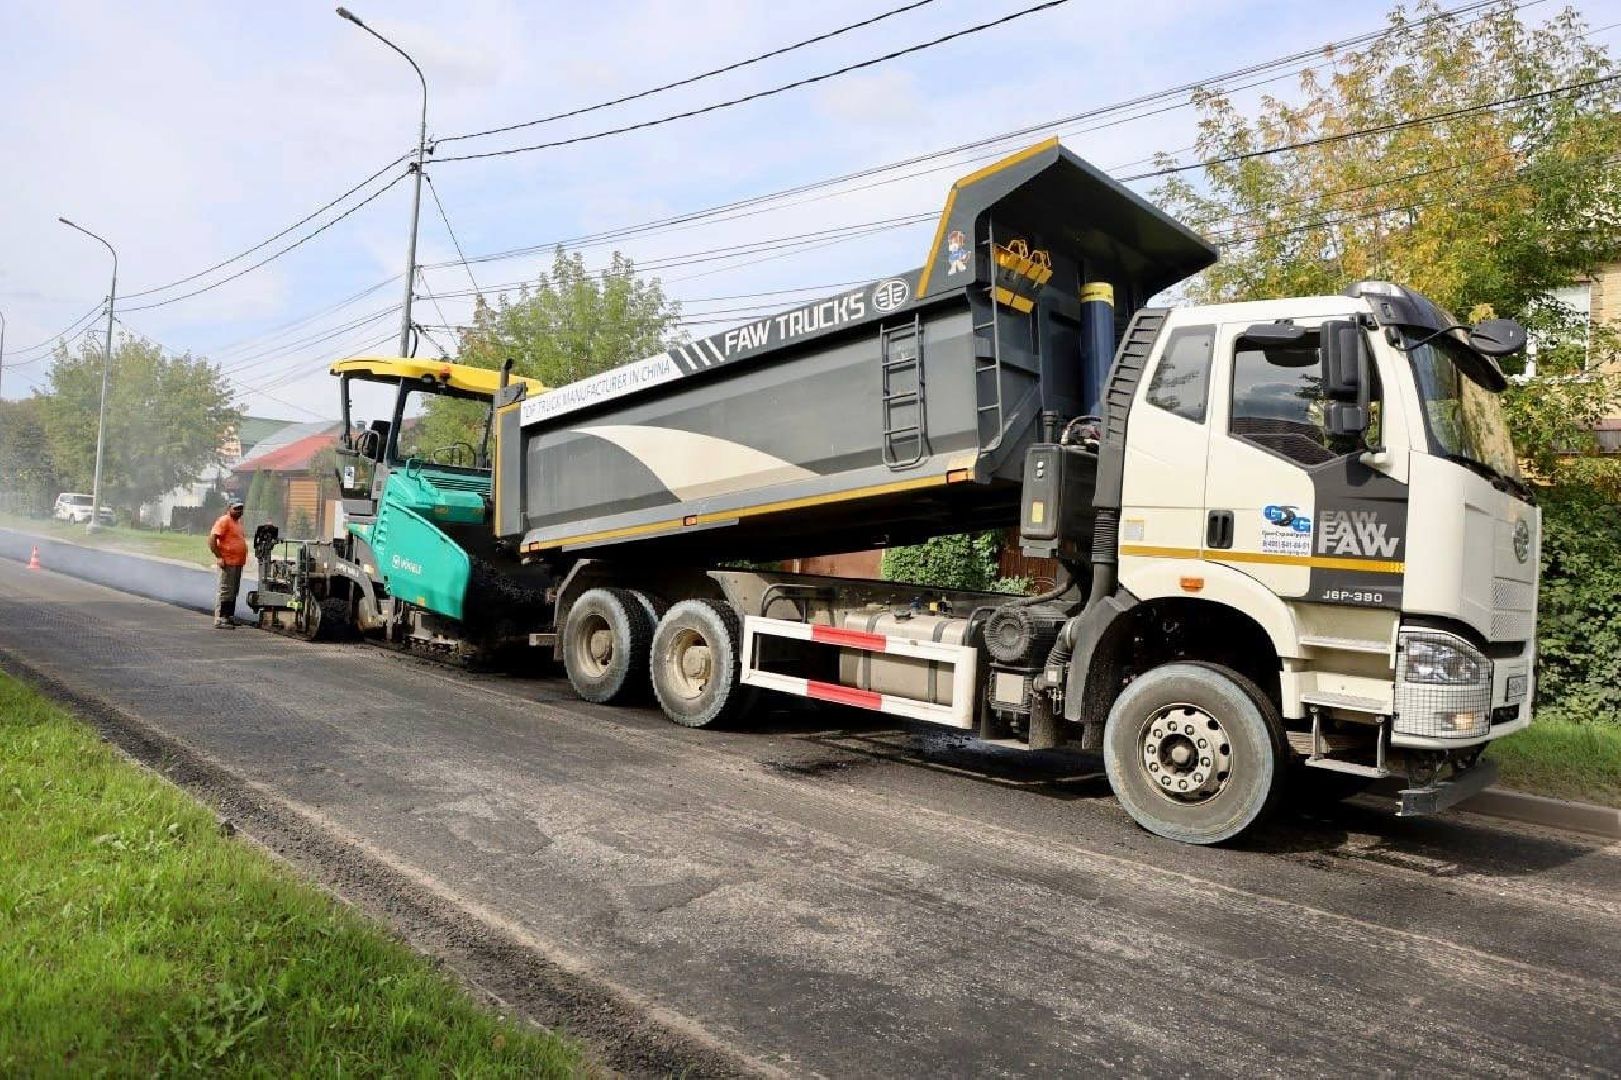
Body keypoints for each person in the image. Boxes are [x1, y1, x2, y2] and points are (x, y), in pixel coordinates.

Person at [208, 500, 249, 629]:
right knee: (226, 590)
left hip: (237, 563)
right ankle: (220, 619)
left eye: (241, 508)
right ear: (229, 508)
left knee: (233, 591)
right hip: (228, 562)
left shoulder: (237, 523)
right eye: (236, 508)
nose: (239, 511)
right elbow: (212, 539)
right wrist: (219, 556)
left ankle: (229, 616)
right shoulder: (224, 520)